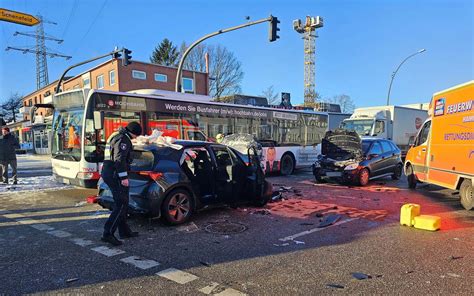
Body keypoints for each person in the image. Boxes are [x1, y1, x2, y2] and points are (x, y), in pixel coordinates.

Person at [101, 121, 142, 246]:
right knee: (121, 204)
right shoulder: (123, 139)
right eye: (137, 135)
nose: (137, 138)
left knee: (123, 203)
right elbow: (119, 159)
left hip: (111, 172)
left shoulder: (117, 135)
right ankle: (108, 234)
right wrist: (123, 177)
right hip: (115, 174)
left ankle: (124, 231)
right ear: (133, 133)